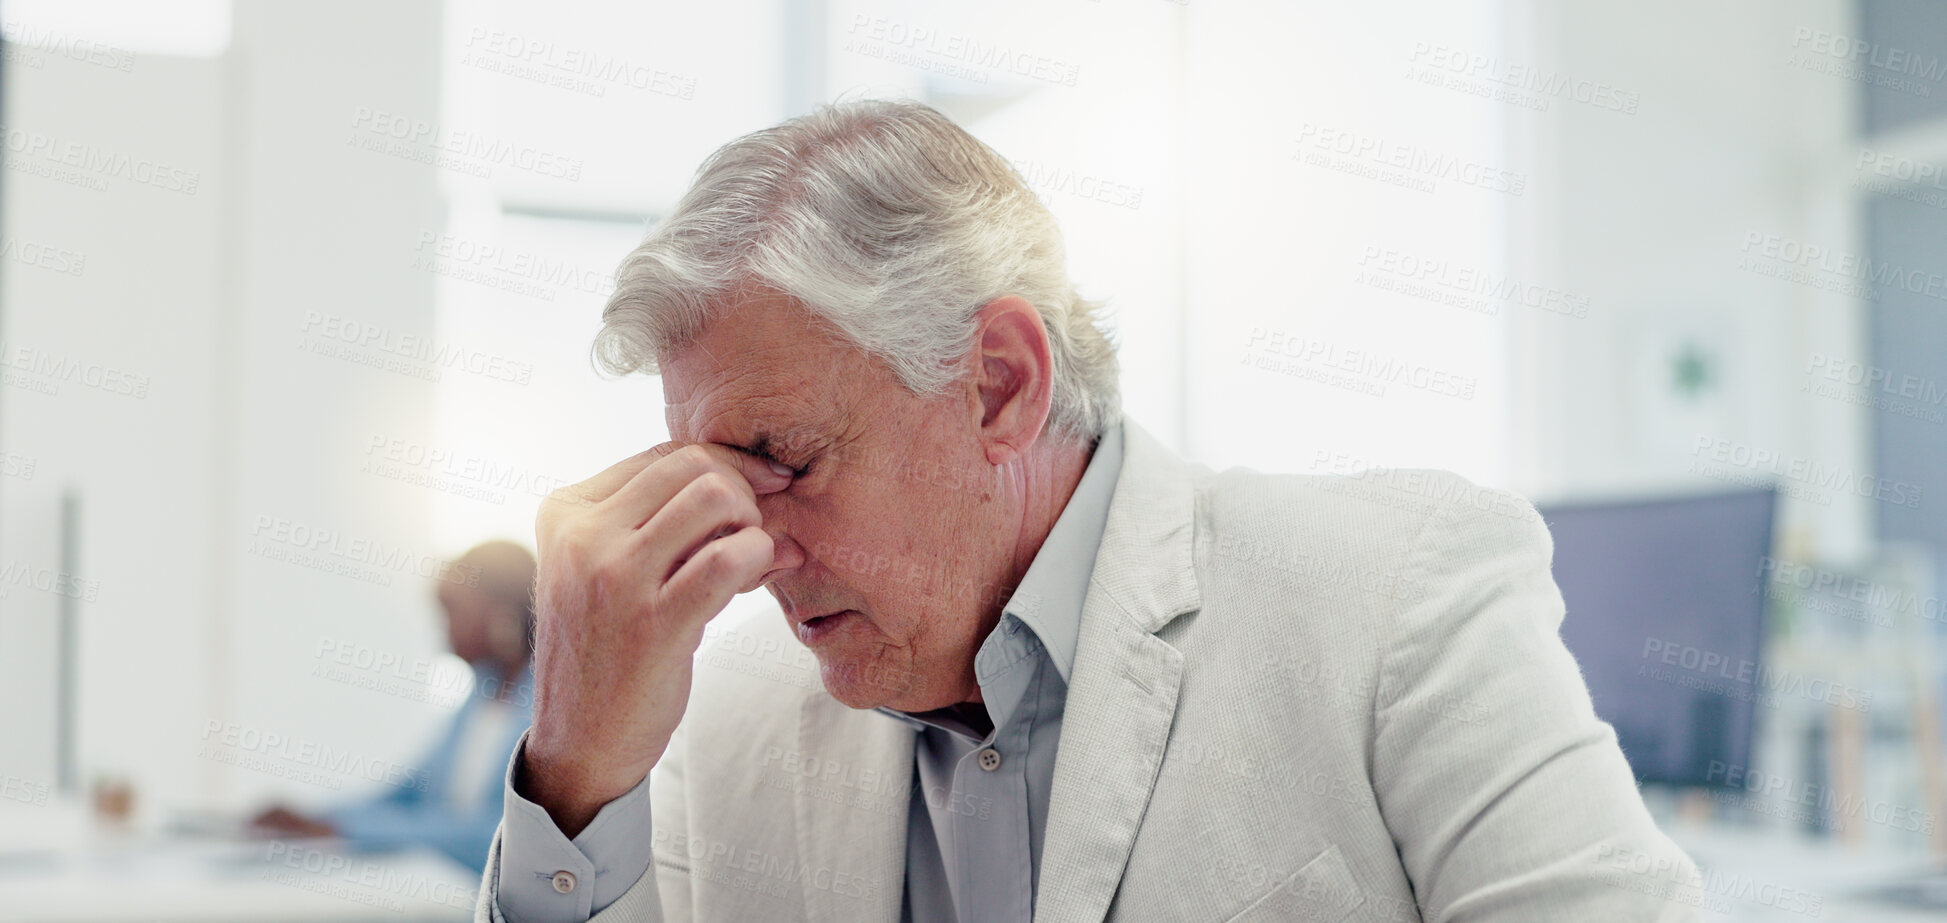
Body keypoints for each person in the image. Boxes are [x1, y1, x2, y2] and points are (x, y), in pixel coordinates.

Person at [479, 100, 1704, 922]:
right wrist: (579, 768)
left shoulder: (1394, 598)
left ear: (1001, 385)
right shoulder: (727, 715)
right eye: (710, 480)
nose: (747, 555)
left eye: (783, 459)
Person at [253, 540, 537, 873]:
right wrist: (315, 820)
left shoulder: (545, 712)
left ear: (502, 615)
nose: (445, 631)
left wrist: (349, 831)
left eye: (452, 612)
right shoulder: (479, 698)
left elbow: (503, 834)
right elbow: (404, 793)